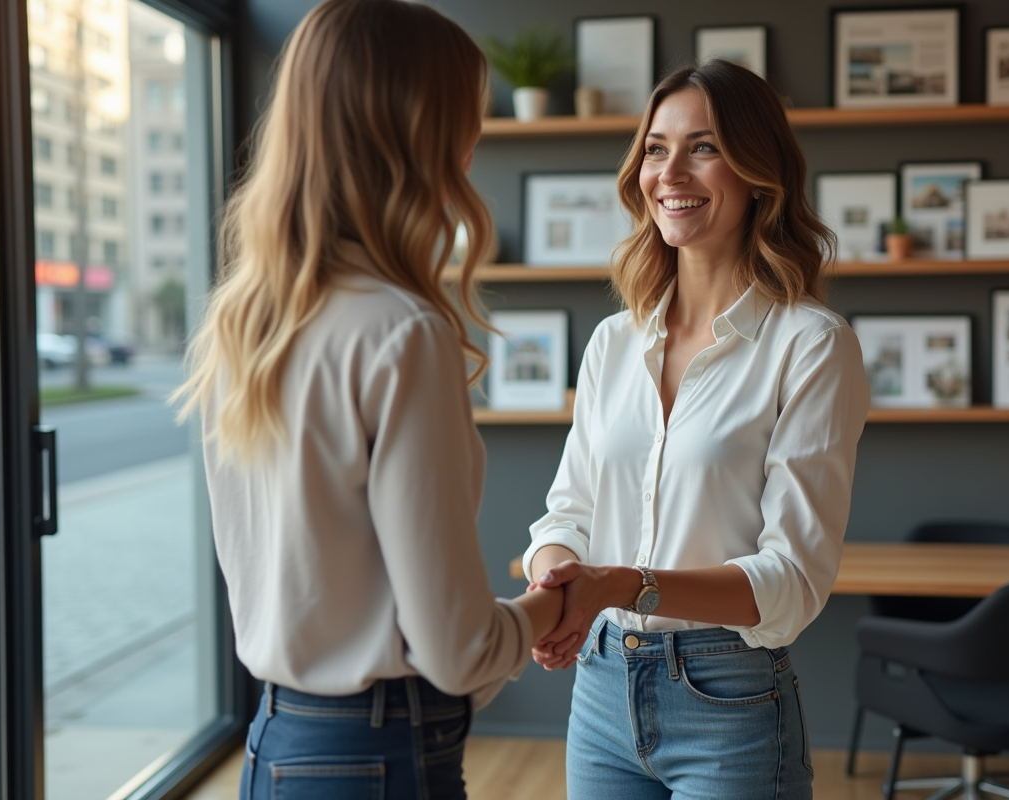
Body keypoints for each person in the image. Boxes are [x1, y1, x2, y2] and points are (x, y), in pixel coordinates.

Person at [172, 2, 563, 798]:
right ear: (413, 131)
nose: (474, 144)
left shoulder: (242, 324)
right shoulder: (401, 332)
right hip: (380, 753)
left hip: (277, 741)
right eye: (463, 119)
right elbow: (456, 651)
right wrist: (550, 610)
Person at [522, 59, 870, 800]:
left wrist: (622, 584)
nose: (670, 172)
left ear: (758, 174)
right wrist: (556, 585)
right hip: (600, 687)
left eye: (704, 147)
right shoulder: (614, 342)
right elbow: (567, 515)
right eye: (656, 149)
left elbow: (792, 579)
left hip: (729, 699)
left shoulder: (811, 345)